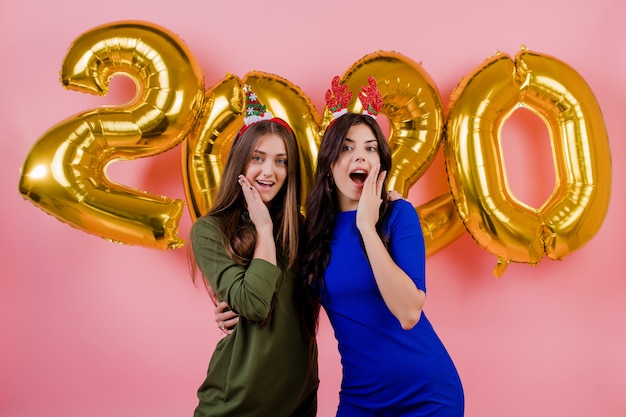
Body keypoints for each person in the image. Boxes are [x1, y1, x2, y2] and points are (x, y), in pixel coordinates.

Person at [214, 77, 465, 416]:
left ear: (380, 162)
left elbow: (408, 312)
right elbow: (278, 286)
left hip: (427, 393)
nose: (359, 156)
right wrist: (231, 307)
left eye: (370, 148)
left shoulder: (398, 216)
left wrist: (366, 226)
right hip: (361, 397)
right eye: (346, 147)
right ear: (330, 165)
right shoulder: (311, 232)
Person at [189, 90, 318, 416]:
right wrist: (263, 228)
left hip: (297, 400)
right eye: (258, 158)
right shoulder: (210, 230)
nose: (268, 172)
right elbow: (253, 305)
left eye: (280, 161)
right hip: (234, 405)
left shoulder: (301, 229)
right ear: (241, 161)